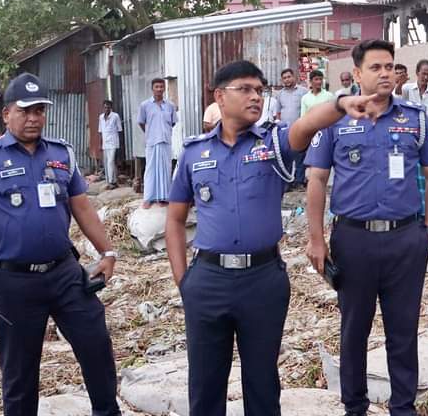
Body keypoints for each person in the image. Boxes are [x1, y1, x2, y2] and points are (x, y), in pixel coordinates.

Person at [166, 60, 381, 416]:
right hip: (208, 280)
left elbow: (306, 125)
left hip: (262, 280)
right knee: (205, 384)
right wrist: (184, 281)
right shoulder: (194, 153)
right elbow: (174, 220)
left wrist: (341, 104)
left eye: (260, 90)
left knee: (263, 381)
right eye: (246, 89)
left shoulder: (273, 143)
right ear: (220, 96)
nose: (256, 97)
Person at [0, 73, 121, 416]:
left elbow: (81, 206)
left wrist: (107, 251)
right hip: (13, 282)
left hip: (65, 273)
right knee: (19, 374)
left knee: (97, 349)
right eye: (25, 111)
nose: (34, 118)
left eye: (39, 110)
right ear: (6, 114)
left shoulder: (61, 153)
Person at [304, 40, 428, 416]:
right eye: (377, 67)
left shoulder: (414, 117)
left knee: (403, 330)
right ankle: (355, 406)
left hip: (405, 239)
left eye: (390, 66)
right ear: (358, 73)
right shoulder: (334, 120)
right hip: (353, 240)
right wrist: (316, 240)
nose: (386, 73)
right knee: (354, 331)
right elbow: (316, 180)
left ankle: (403, 407)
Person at [137, 78, 178, 208]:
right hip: (152, 141)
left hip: (165, 141)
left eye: (161, 87)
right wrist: (150, 133)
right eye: (157, 87)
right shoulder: (145, 105)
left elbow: (173, 122)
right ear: (152, 88)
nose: (159, 89)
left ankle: (163, 198)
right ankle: (148, 198)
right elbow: (141, 122)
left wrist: (163, 131)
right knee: (151, 169)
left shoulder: (170, 105)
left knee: (166, 169)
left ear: (164, 88)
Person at [276, 68, 309, 187]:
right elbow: (278, 112)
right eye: (284, 78)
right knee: (286, 156)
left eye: (289, 77)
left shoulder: (304, 92)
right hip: (285, 131)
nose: (287, 80)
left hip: (299, 129)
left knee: (300, 156)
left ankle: (299, 181)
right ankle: (287, 182)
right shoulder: (279, 94)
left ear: (294, 77)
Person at [99, 100, 122, 188]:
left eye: (108, 107)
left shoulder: (115, 116)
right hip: (105, 143)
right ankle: (111, 180)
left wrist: (120, 145)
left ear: (111, 108)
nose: (106, 109)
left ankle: (112, 181)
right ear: (103, 108)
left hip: (113, 142)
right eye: (105, 107)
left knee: (110, 161)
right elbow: (100, 131)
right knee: (107, 162)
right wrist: (100, 144)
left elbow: (119, 130)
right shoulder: (101, 117)